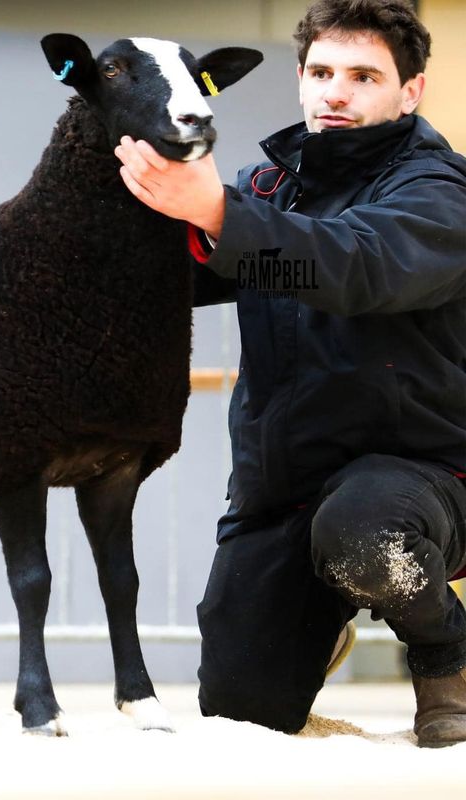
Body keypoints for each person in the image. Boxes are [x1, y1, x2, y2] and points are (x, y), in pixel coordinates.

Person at [114, 0, 466, 747]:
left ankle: (446, 652)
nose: (335, 92)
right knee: (242, 703)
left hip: (423, 474)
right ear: (302, 80)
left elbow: (355, 264)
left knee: (365, 537)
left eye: (363, 75)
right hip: (284, 483)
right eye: (321, 72)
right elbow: (181, 273)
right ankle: (317, 613)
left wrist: (217, 212)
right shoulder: (268, 186)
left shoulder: (440, 192)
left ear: (411, 91)